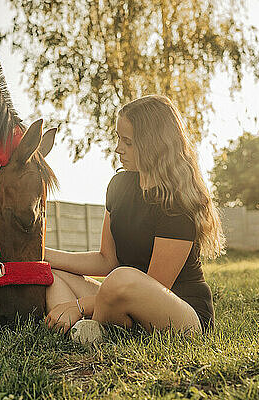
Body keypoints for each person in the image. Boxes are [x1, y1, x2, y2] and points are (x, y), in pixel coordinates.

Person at [43, 94, 225, 340]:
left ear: (153, 144)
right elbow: (106, 261)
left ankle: (88, 325)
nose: (118, 148)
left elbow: (153, 285)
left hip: (180, 313)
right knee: (54, 275)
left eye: (127, 142)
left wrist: (78, 305)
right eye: (119, 138)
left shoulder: (178, 201)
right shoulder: (119, 185)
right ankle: (83, 333)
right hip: (120, 297)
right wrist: (43, 255)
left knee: (122, 278)